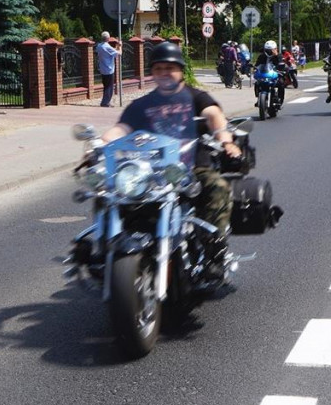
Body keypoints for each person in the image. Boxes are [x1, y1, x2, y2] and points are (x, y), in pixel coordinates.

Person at [101, 41, 241, 278]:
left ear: (181, 70)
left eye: (170, 68)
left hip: (191, 167)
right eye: (158, 69)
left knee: (217, 188)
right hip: (151, 172)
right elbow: (121, 128)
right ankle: (104, 249)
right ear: (153, 73)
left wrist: (225, 140)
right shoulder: (142, 105)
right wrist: (100, 144)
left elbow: (213, 115)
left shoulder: (196, 97)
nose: (164, 73)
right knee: (107, 195)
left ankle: (213, 248)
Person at [255, 39, 287, 107]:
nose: (269, 52)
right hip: (265, 75)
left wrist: (276, 56)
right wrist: (255, 68)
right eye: (267, 50)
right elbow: (257, 65)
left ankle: (280, 100)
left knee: (281, 83)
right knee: (257, 83)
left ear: (275, 49)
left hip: (275, 75)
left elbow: (282, 64)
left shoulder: (279, 56)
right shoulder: (262, 56)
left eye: (271, 50)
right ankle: (259, 99)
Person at [96, 31, 122, 107]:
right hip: (109, 69)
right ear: (108, 38)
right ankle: (106, 102)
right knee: (109, 87)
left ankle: (105, 101)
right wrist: (120, 46)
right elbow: (119, 53)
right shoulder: (106, 46)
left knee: (106, 86)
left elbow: (111, 51)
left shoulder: (99, 46)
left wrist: (116, 46)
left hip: (103, 69)